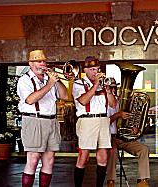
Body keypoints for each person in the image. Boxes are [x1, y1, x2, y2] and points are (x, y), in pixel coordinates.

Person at [17, 49, 68, 187]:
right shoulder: (24, 80)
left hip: (51, 121)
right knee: (33, 159)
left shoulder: (48, 79)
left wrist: (56, 81)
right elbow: (30, 100)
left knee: (50, 160)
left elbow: (64, 96)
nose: (42, 64)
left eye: (44, 61)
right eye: (38, 61)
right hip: (34, 120)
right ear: (30, 63)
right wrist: (50, 84)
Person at [72, 56, 116, 187]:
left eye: (97, 69)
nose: (96, 72)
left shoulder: (105, 84)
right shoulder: (79, 83)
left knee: (103, 157)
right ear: (85, 70)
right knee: (83, 157)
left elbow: (113, 104)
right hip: (87, 120)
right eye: (92, 69)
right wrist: (96, 84)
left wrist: (108, 91)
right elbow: (83, 101)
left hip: (103, 119)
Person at [106, 77, 151, 187]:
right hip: (111, 137)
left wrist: (135, 128)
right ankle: (110, 181)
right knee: (113, 151)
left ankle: (142, 180)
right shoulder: (103, 102)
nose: (113, 89)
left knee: (143, 149)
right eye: (110, 87)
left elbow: (133, 118)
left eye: (114, 87)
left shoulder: (124, 101)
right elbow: (104, 122)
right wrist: (118, 115)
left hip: (125, 138)